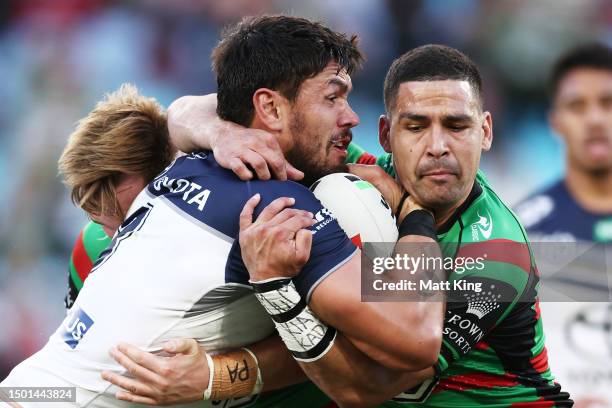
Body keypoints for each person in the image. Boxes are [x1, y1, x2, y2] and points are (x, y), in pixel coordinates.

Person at [2, 17, 443, 408]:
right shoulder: (276, 207)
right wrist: (415, 217)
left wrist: (217, 375)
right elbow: (418, 341)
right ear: (269, 107)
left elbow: (181, 112)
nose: (351, 116)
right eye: (333, 98)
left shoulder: (185, 165)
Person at [107, 45, 573, 407]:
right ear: (386, 133)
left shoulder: (495, 254)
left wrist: (216, 374)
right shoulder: (359, 171)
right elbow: (183, 112)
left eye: (457, 126)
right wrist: (226, 134)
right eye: (416, 127)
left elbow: (367, 384)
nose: (437, 146)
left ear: (486, 132)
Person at [515, 42, 612, 408]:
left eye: (607, 102)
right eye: (577, 106)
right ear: (556, 121)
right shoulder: (522, 234)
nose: (595, 119)